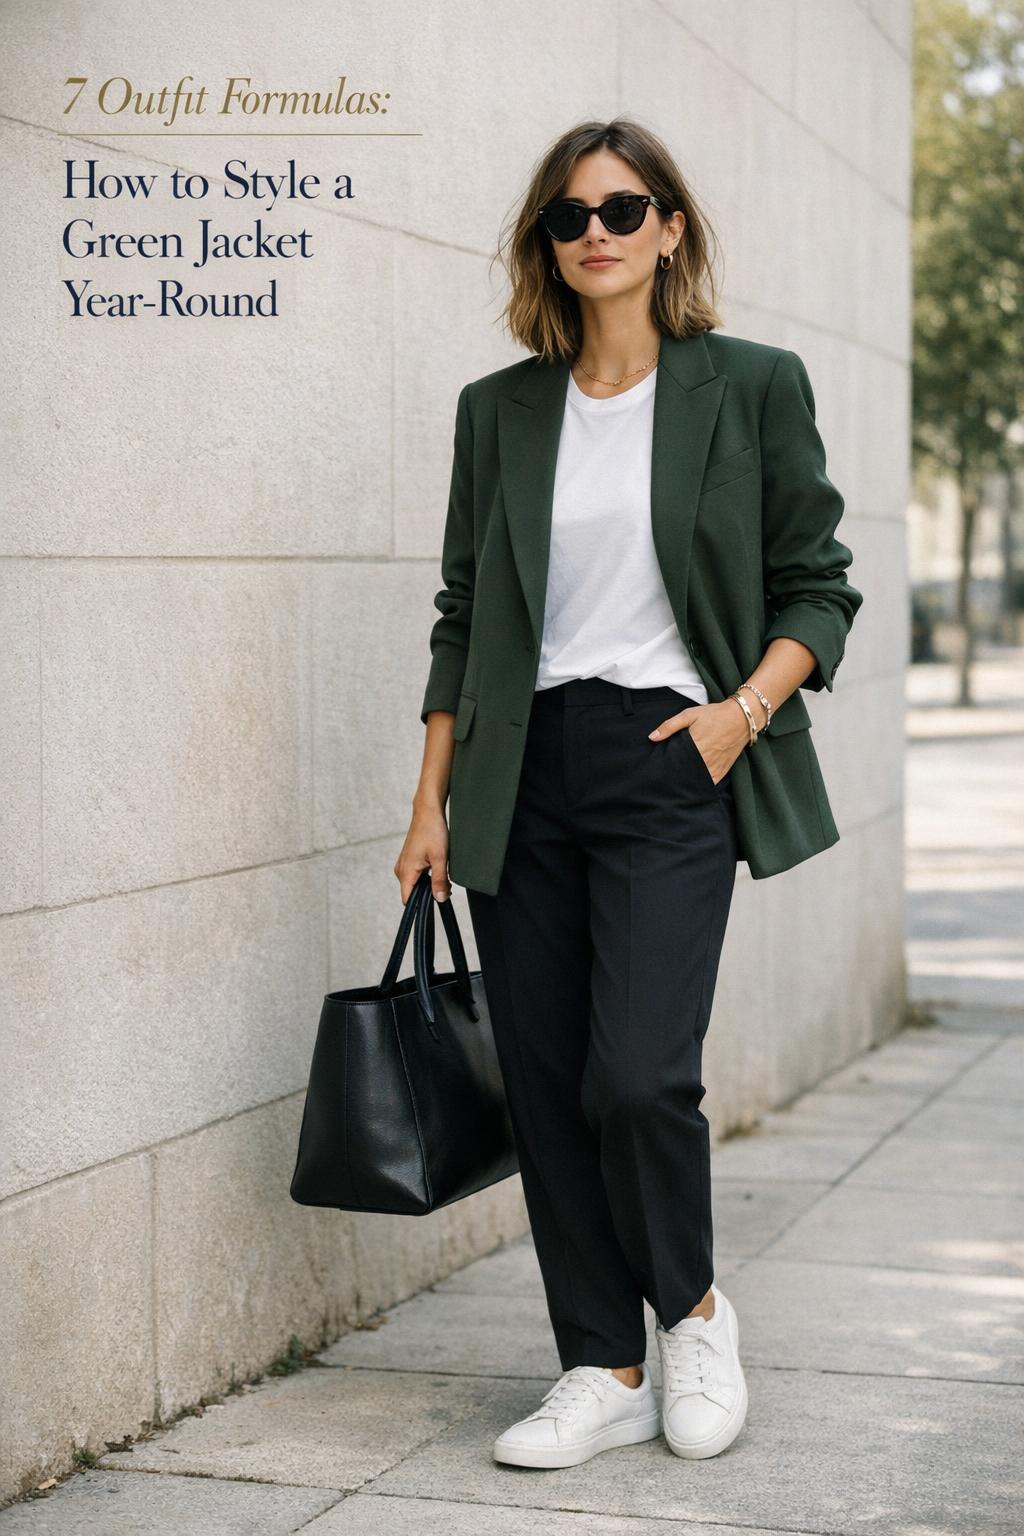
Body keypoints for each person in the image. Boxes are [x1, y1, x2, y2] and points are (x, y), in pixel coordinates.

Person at [396, 117, 863, 1469]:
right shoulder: (500, 410)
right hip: (520, 771)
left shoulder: (750, 385)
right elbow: (464, 614)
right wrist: (429, 806)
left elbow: (818, 587)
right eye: (568, 215)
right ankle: (602, 1365)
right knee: (548, 1085)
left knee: (641, 1077)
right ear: (547, 244)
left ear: (670, 227)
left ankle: (695, 1313)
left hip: (671, 757)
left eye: (621, 207)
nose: (594, 231)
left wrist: (739, 716)